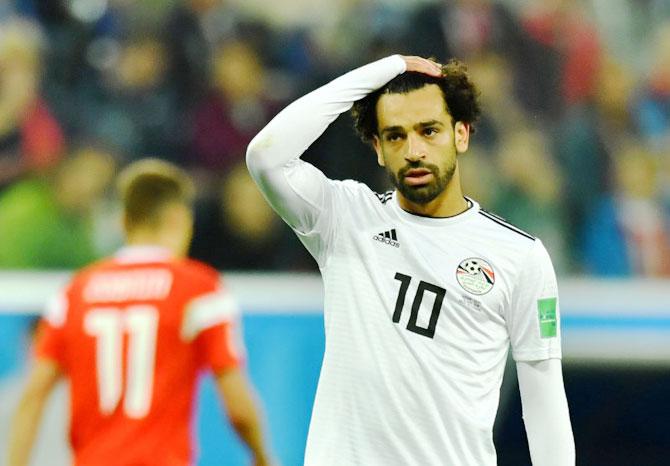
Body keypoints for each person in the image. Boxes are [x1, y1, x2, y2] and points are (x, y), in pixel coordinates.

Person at [246, 55, 574, 465]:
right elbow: (265, 155)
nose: (414, 150)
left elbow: (543, 395)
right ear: (379, 150)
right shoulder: (345, 219)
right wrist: (383, 70)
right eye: (396, 136)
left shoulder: (519, 256)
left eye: (429, 131)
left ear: (462, 134)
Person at [8, 159, 273, 466]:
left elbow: (32, 397)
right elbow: (237, 406)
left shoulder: (75, 292)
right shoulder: (199, 289)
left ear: (123, 221)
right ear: (179, 218)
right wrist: (262, 456)